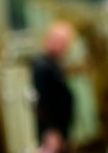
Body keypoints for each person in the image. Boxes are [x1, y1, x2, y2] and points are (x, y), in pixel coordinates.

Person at [31, 20, 76, 153]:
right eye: (61, 42)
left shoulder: (53, 65)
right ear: (49, 40)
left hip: (59, 131)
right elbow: (40, 102)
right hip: (50, 134)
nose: (64, 47)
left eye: (66, 43)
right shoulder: (42, 67)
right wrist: (49, 130)